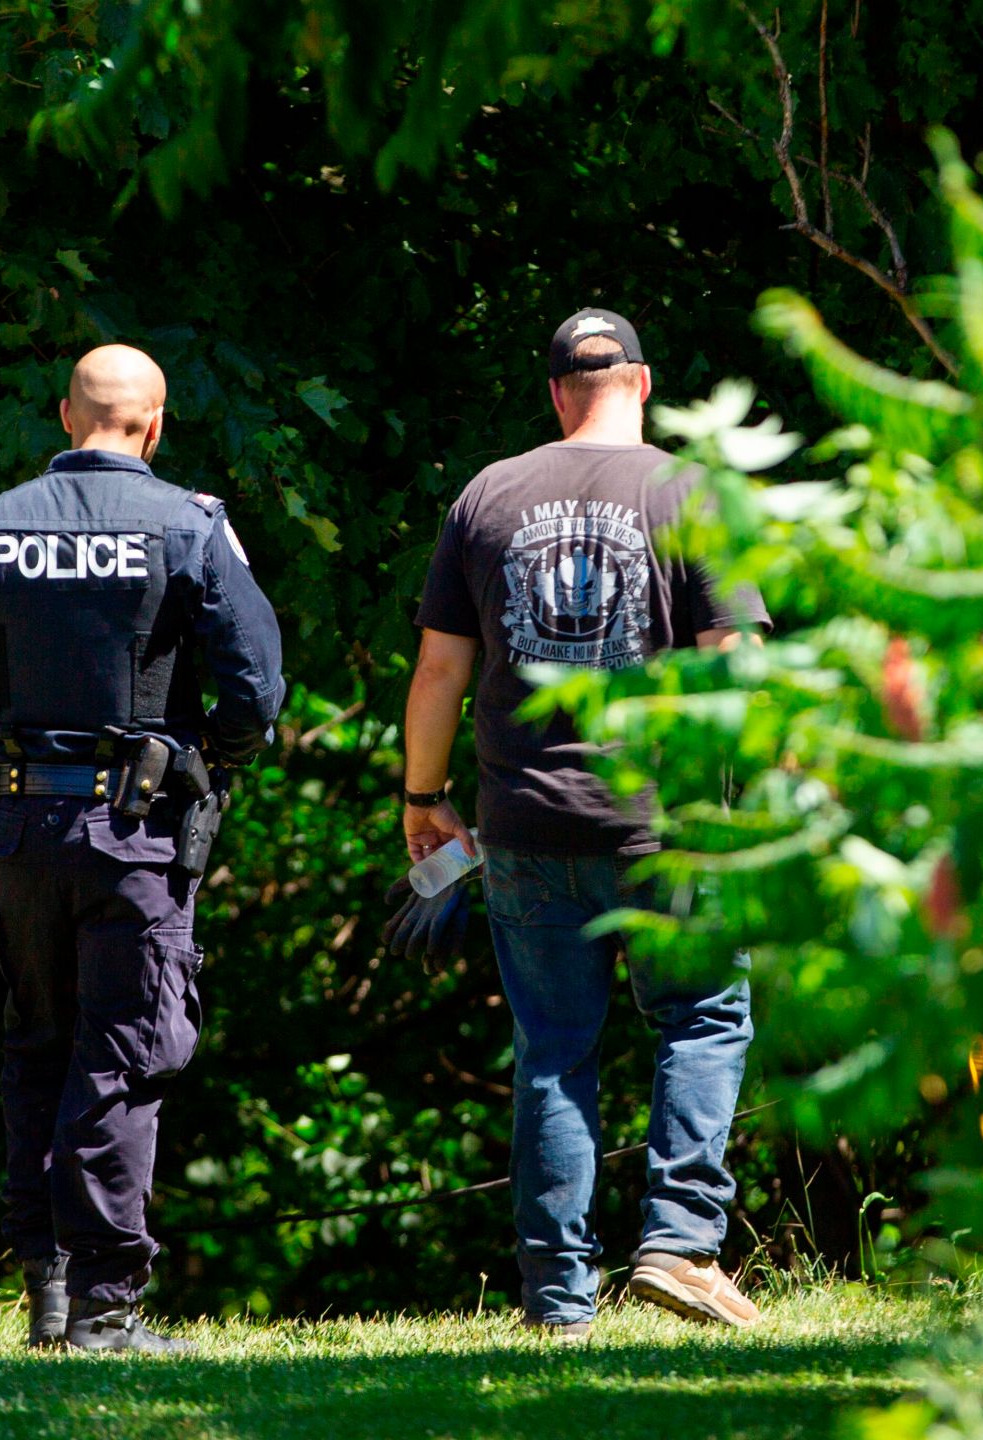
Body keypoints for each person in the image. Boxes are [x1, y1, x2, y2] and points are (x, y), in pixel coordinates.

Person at [403, 308, 769, 1340]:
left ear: (556, 391)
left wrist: (421, 800)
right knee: (700, 1020)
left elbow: (439, 669)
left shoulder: (487, 493)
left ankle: (558, 1301)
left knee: (555, 1049)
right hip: (668, 822)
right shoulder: (692, 492)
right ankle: (679, 1245)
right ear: (641, 385)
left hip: (524, 822)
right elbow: (734, 666)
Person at [0, 344, 283, 1353]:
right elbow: (255, 689)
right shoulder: (190, 527)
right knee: (122, 1056)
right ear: (154, 425)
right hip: (133, 838)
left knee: (37, 1044)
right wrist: (203, 758)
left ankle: (47, 1289)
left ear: (65, 417)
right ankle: (107, 1311)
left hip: (17, 830)